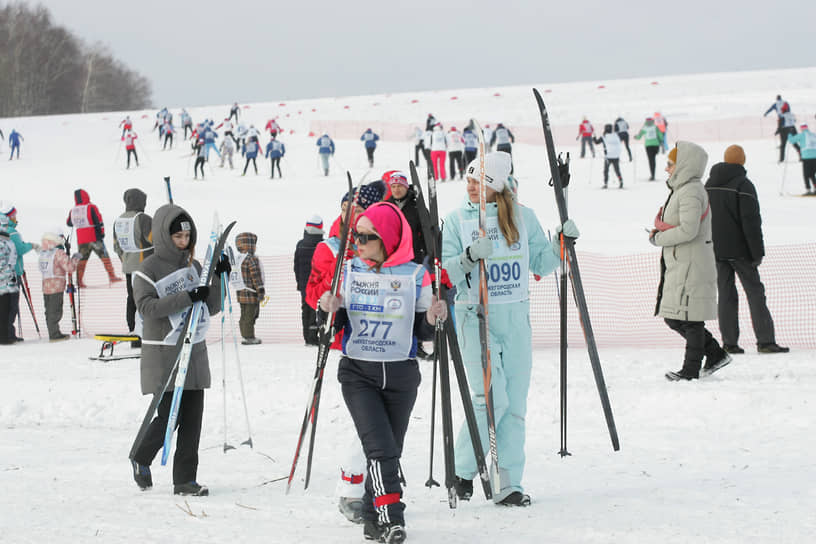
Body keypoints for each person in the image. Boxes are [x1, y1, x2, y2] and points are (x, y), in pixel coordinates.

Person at [441, 152, 566, 506]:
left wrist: (561, 243)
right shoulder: (456, 220)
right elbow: (446, 275)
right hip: (473, 317)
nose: (470, 187)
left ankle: (507, 481)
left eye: (478, 181)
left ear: (496, 185)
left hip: (515, 320)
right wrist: (467, 258)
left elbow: (542, 262)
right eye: (468, 180)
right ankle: (463, 469)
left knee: (513, 404)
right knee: (488, 398)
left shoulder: (523, 217)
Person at [318, 201, 446, 542]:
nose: (358, 243)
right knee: (379, 449)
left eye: (367, 236)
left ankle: (374, 518)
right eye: (356, 236)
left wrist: (433, 317)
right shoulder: (349, 272)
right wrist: (329, 309)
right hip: (359, 374)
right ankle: (393, 518)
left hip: (401, 376)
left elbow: (422, 332)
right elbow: (334, 327)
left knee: (391, 448)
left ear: (388, 239)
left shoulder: (416, 275)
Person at [130, 204, 228, 496]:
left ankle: (185, 480)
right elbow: (147, 308)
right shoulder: (147, 270)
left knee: (192, 420)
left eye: (187, 235)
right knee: (169, 417)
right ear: (164, 236)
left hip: (194, 353)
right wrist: (186, 297)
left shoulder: (195, 267)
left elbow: (211, 307)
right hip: (165, 354)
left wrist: (217, 281)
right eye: (178, 236)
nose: (184, 241)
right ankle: (140, 455)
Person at [305, 184, 384, 525]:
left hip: (385, 339)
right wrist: (330, 297)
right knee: (365, 419)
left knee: (383, 418)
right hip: (351, 338)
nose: (352, 212)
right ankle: (353, 485)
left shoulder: (381, 240)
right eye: (347, 205)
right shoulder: (331, 245)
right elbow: (312, 290)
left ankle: (378, 477)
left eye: (359, 207)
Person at [648, 143, 732, 381]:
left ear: (683, 165)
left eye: (670, 163)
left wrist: (659, 238)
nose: (666, 168)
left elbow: (689, 230)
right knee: (674, 316)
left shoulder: (691, 191)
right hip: (682, 264)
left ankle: (690, 370)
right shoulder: (683, 189)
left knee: (690, 318)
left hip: (692, 265)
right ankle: (715, 354)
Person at [705, 145, 789, 354]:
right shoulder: (743, 184)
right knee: (755, 293)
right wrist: (757, 252)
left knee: (726, 294)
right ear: (742, 161)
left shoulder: (709, 184)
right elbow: (751, 222)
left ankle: (729, 343)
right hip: (741, 251)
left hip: (716, 250)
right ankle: (766, 341)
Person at [113, 188, 154, 340]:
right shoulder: (143, 219)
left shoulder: (119, 220)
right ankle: (144, 331)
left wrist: (126, 260)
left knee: (132, 298)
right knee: (146, 299)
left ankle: (132, 331)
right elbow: (154, 238)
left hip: (129, 267)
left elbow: (116, 247)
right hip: (146, 267)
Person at [66, 189, 123, 287]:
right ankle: (112, 276)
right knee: (104, 257)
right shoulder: (91, 207)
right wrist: (101, 233)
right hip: (94, 238)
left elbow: (69, 223)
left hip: (81, 240)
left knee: (82, 261)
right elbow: (98, 221)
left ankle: (79, 281)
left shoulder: (73, 210)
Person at [0, 204, 37, 341]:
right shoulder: (12, 232)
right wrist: (31, 246)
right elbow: (19, 249)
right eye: (14, 215)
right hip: (13, 273)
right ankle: (8, 334)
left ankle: (6, 333)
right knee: (12, 305)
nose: (16, 218)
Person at [38, 231, 77, 341]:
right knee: (55, 310)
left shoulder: (44, 252)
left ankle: (53, 331)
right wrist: (75, 259)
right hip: (57, 285)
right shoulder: (58, 253)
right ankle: (54, 334)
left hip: (46, 285)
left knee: (49, 310)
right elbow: (69, 267)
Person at [293, 216, 324, 346]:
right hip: (317, 283)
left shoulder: (300, 245)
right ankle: (313, 337)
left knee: (305, 309)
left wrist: (299, 282)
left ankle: (306, 337)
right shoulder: (322, 245)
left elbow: (296, 266)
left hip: (303, 284)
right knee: (316, 309)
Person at [231, 232, 265, 344]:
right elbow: (256, 276)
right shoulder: (251, 259)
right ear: (249, 245)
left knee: (244, 314)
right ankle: (249, 337)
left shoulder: (237, 259)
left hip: (240, 292)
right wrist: (260, 290)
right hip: (251, 293)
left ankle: (245, 334)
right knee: (251, 315)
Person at [0, 214, 17, 345]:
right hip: (4, 283)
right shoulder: (3, 243)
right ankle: (4, 337)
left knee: (6, 309)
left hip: (6, 283)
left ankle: (6, 335)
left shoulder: (7, 241)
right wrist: (8, 274)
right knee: (4, 309)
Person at [785, 124, 816, 193]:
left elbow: (791, 140)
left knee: (806, 174)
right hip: (815, 157)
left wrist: (789, 133)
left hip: (806, 157)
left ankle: (808, 189)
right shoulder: (813, 135)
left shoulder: (802, 135)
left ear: (801, 129)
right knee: (813, 173)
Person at [594, 124, 624, 188]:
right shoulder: (616, 135)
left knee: (606, 170)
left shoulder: (604, 136)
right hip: (616, 156)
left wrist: (593, 137)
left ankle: (605, 183)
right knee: (617, 170)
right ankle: (620, 180)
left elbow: (596, 142)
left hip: (608, 156)